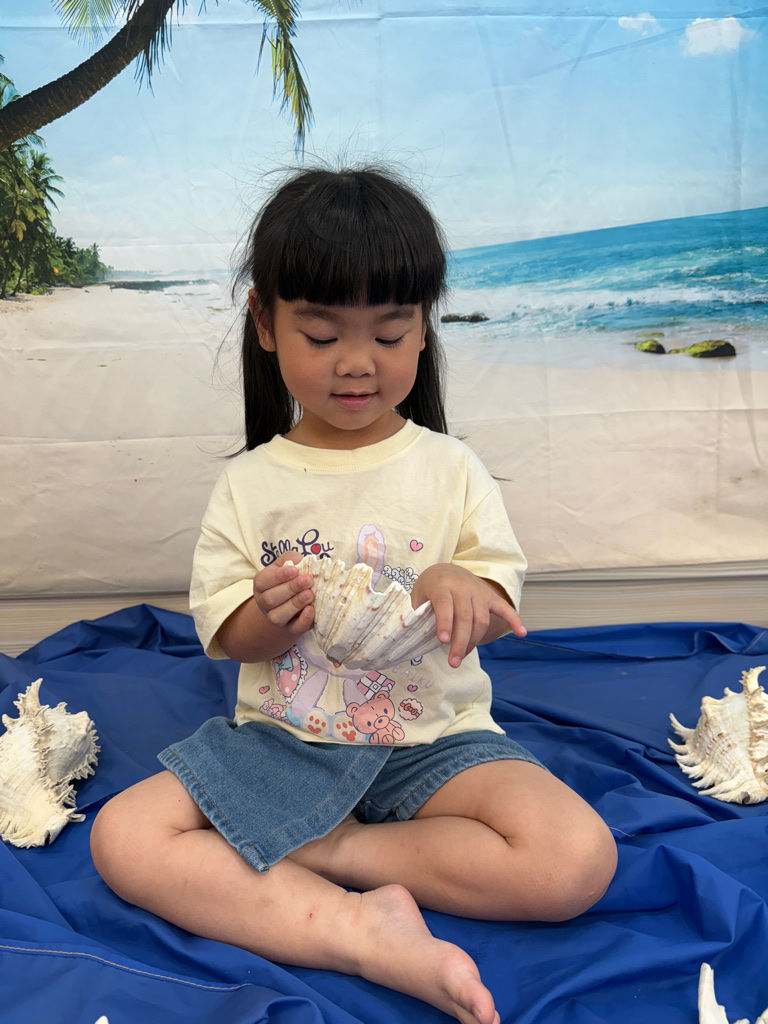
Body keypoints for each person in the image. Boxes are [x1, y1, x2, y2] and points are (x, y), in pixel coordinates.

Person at [91, 166, 617, 1024]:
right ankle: (356, 932)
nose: (357, 362)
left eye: (390, 330)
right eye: (322, 332)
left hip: (435, 741)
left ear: (423, 327)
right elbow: (224, 631)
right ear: (265, 323)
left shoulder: (451, 468)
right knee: (123, 836)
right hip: (283, 743)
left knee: (576, 860)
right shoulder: (250, 484)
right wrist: (264, 621)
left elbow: (496, 598)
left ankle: (334, 851)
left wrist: (461, 586)